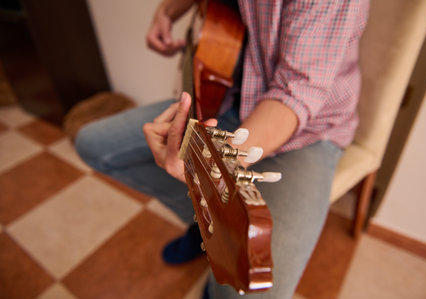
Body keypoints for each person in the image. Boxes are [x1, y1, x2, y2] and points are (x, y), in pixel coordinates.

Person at [75, 0, 369, 298]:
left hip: (307, 130)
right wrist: (166, 12)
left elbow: (297, 92)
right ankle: (205, 224)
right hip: (224, 98)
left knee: (249, 289)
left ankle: (211, 232)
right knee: (93, 144)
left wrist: (211, 165)